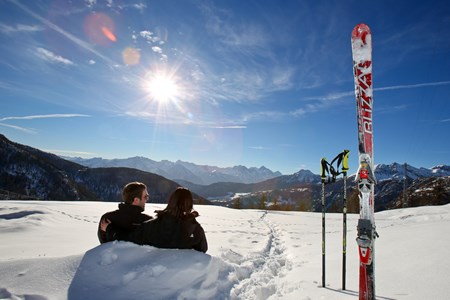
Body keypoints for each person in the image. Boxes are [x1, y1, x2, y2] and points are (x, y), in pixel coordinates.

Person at [101, 187, 208, 253]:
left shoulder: (152, 225)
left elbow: (129, 238)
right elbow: (203, 250)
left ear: (171, 201)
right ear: (190, 204)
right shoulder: (196, 229)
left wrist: (110, 229)